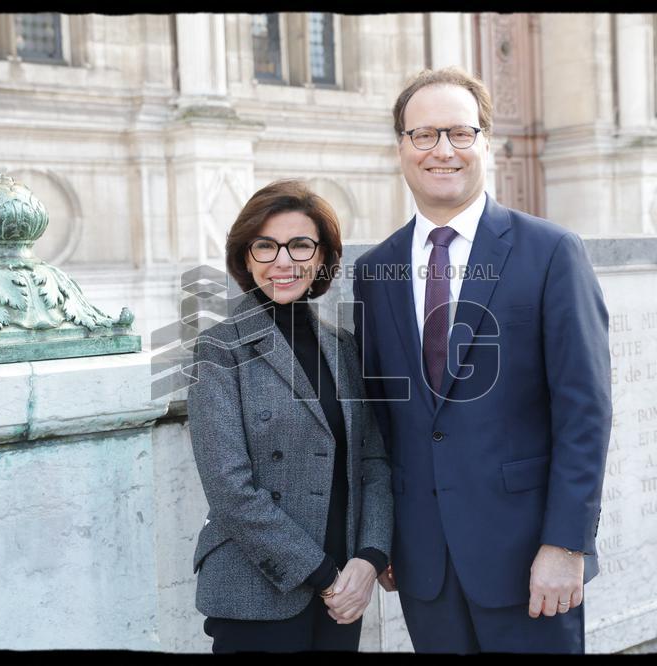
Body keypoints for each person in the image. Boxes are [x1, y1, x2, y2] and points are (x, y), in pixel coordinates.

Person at [352, 67, 611, 653]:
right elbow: (382, 420)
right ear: (401, 148)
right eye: (424, 135)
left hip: (529, 562)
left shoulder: (551, 253)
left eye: (460, 133)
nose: (442, 150)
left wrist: (567, 544)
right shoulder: (375, 271)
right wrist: (383, 538)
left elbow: (585, 412)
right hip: (424, 567)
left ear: (485, 142)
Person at [188, 179, 393, 653]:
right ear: (246, 258)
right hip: (257, 595)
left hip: (345, 592)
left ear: (322, 257)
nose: (283, 262)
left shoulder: (342, 347)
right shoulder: (217, 350)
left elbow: (373, 464)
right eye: (266, 246)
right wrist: (322, 574)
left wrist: (369, 556)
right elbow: (229, 489)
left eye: (300, 245)